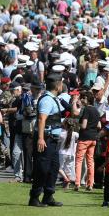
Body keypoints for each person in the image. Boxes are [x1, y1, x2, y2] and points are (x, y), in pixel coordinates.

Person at [29, 75, 66, 207]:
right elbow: (41, 120)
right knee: (42, 168)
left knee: (53, 168)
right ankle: (34, 197)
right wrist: (40, 138)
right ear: (57, 85)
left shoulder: (53, 99)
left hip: (53, 140)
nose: (62, 86)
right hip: (46, 139)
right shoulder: (47, 100)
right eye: (61, 83)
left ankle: (48, 196)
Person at [75, 91, 100, 191]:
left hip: (84, 137)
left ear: (87, 99)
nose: (81, 100)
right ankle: (90, 184)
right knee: (90, 161)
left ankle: (77, 183)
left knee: (79, 160)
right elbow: (99, 125)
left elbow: (84, 126)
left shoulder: (86, 110)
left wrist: (77, 124)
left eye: (83, 98)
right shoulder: (96, 110)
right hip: (93, 138)